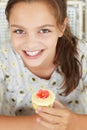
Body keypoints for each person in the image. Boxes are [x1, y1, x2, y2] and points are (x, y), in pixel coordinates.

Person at [0, 0, 87, 129]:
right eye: (19, 31)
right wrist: (37, 123)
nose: (30, 43)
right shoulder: (3, 58)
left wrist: (74, 122)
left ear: (61, 27)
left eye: (44, 30)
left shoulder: (83, 55)